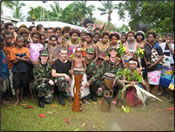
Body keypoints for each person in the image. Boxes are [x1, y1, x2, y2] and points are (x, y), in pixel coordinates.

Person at [10, 35, 30, 106]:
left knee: (22, 85)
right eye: (19, 42)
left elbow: (28, 60)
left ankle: (21, 97)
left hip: (24, 70)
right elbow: (13, 61)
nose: (20, 43)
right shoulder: (13, 50)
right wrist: (23, 58)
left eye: (22, 42)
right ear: (16, 42)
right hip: (16, 70)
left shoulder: (26, 49)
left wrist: (19, 58)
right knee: (17, 85)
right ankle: (17, 99)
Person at [144, 31, 163, 97]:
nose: (149, 38)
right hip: (149, 66)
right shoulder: (146, 46)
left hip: (157, 66)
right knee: (150, 81)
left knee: (156, 81)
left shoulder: (157, 46)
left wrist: (154, 64)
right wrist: (146, 62)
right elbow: (144, 55)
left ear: (154, 38)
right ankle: (150, 93)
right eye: (148, 37)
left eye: (151, 37)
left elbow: (161, 56)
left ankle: (154, 95)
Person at [159, 33, 174, 101]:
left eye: (170, 39)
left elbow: (173, 53)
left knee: (169, 79)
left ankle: (170, 95)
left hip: (170, 65)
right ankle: (162, 91)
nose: (168, 40)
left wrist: (168, 45)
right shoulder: (162, 45)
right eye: (167, 39)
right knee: (162, 78)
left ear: (172, 40)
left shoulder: (173, 45)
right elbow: (159, 53)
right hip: (163, 64)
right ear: (165, 39)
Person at [3, 32, 15, 99]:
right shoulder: (3, 48)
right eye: (7, 39)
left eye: (10, 38)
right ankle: (6, 95)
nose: (9, 40)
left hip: (11, 67)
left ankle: (14, 95)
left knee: (12, 82)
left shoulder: (14, 47)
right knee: (6, 83)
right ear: (4, 39)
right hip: (4, 68)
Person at [0, 35, 10, 105]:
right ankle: (1, 100)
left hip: (4, 73)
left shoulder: (1, 51)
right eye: (2, 42)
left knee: (3, 88)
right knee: (1, 89)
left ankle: (3, 98)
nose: (4, 43)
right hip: (1, 74)